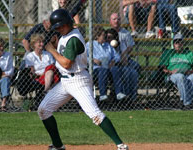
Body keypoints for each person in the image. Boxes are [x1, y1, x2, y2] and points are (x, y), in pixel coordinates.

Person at [38, 9, 129, 150]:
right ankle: (58, 145)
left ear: (67, 24)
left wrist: (51, 50)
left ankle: (121, 145)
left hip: (78, 81)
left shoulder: (73, 38)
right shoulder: (66, 34)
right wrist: (56, 45)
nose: (58, 29)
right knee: (43, 109)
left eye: (60, 26)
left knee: (95, 114)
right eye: (57, 27)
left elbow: (67, 63)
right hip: (65, 82)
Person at [159, 34, 193, 109]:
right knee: (180, 76)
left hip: (187, 75)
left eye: (180, 42)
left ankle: (187, 102)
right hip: (172, 75)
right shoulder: (168, 53)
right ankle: (186, 103)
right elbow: (162, 67)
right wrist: (170, 71)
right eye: (176, 42)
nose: (178, 44)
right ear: (173, 44)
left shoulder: (189, 53)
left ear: (183, 43)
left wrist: (191, 71)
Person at [86, 26, 126, 101]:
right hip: (96, 69)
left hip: (108, 67)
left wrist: (113, 61)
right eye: (103, 36)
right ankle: (103, 94)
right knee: (102, 70)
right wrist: (93, 60)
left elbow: (117, 56)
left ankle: (119, 93)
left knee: (115, 69)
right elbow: (84, 58)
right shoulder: (90, 45)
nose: (105, 37)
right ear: (97, 36)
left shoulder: (108, 45)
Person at [106, 28, 139, 101]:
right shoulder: (105, 46)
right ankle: (124, 95)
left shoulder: (120, 45)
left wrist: (122, 59)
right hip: (110, 68)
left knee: (133, 72)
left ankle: (132, 97)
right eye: (107, 37)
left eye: (110, 38)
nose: (108, 40)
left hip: (121, 65)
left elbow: (123, 60)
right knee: (126, 71)